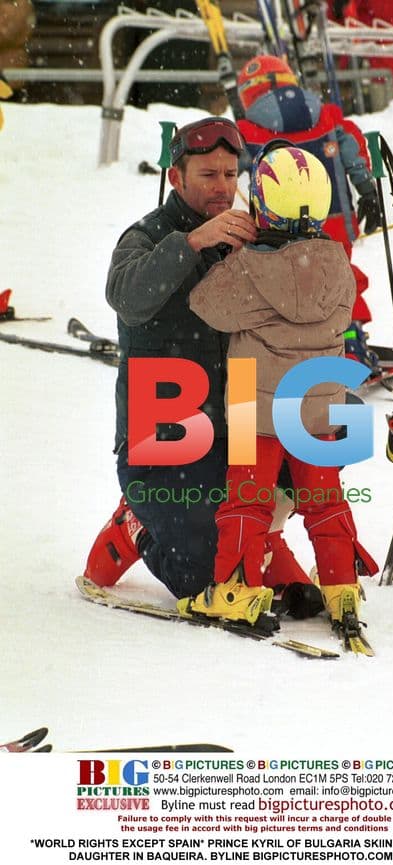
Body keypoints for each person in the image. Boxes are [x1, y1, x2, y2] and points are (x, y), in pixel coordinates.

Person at [84, 116, 321, 616]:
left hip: (240, 422)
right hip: (165, 436)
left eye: (231, 175)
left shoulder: (250, 232)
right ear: (176, 178)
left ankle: (260, 540)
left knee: (319, 451)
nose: (222, 187)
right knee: (202, 579)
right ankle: (137, 524)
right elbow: (126, 296)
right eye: (208, 175)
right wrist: (191, 242)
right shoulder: (146, 236)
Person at [177, 142, 378, 641]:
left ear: (262, 205)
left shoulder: (249, 269)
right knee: (324, 500)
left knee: (248, 500)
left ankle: (236, 591)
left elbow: (206, 305)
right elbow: (345, 307)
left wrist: (235, 254)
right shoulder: (336, 262)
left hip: (255, 404)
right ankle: (341, 587)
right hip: (319, 403)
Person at [235, 54, 382, 369]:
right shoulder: (327, 115)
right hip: (333, 218)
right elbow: (353, 148)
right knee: (339, 277)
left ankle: (292, 344)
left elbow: (228, 165)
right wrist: (368, 191)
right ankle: (349, 340)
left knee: (285, 283)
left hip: (277, 224)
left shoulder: (245, 130)